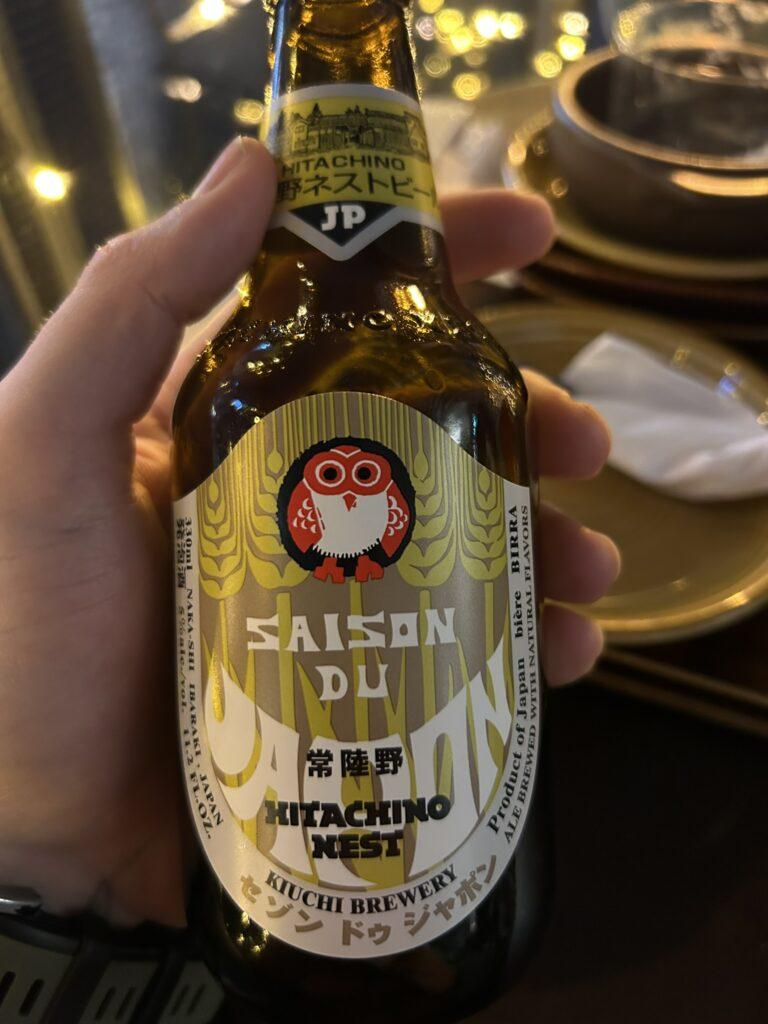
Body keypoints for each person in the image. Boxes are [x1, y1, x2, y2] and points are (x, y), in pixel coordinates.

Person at [0, 137, 619, 930]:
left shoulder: (440, 364)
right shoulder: (236, 379)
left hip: (444, 891)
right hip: (229, 884)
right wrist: (31, 841)